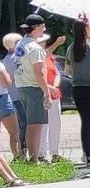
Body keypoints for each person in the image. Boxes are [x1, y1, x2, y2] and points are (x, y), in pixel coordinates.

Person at [11, 14, 50, 162]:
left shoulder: (21, 44)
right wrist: (47, 93)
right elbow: (40, 73)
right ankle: (34, 160)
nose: (44, 29)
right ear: (35, 27)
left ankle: (31, 157)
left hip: (21, 86)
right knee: (36, 125)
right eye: (43, 26)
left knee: (30, 123)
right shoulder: (34, 48)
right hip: (33, 87)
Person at [38, 34, 67, 162]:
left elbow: (56, 72)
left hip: (54, 94)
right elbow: (37, 77)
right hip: (42, 94)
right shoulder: (37, 57)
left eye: (44, 41)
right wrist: (49, 87)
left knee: (56, 124)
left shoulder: (48, 57)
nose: (44, 43)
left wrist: (55, 85)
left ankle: (55, 153)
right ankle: (41, 154)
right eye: (41, 41)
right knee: (44, 125)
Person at [68, 17, 90, 164]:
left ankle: (87, 154)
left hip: (78, 88)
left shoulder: (71, 48)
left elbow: (68, 71)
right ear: (85, 29)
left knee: (86, 122)